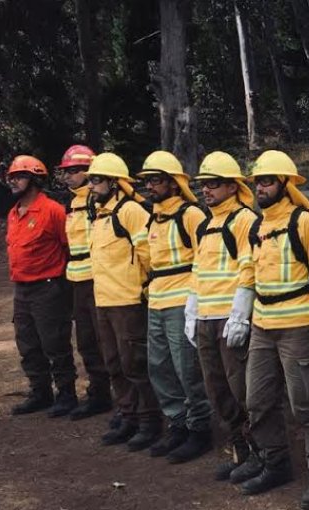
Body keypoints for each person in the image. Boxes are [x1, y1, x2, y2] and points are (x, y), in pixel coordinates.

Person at [240, 150, 309, 507]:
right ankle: (275, 461)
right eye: (256, 182)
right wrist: (242, 313)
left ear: (284, 183)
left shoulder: (305, 223)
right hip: (263, 326)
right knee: (258, 400)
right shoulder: (258, 225)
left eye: (266, 181)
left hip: (300, 326)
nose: (260, 188)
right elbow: (251, 271)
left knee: (307, 403)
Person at [136, 150, 213, 463]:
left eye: (156, 181)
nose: (150, 187)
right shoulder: (153, 216)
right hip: (156, 299)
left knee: (186, 368)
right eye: (147, 181)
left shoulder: (191, 214)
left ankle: (199, 429)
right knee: (159, 366)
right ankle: (177, 423)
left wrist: (196, 298)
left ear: (173, 182)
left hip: (182, 299)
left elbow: (206, 257)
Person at [186, 151, 259, 481]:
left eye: (214, 184)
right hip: (205, 318)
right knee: (216, 388)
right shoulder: (206, 224)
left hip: (229, 320)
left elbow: (249, 267)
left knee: (240, 388)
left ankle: (258, 451)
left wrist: (240, 315)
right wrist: (192, 311)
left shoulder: (244, 220)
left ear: (233, 186)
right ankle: (239, 449)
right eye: (203, 185)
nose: (207, 190)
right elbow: (198, 270)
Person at [86, 152, 164, 451]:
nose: (91, 186)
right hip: (104, 300)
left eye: (96, 179)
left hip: (128, 301)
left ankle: (149, 421)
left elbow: (147, 252)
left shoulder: (130, 210)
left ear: (114, 182)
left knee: (135, 363)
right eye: (91, 179)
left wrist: (141, 286)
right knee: (114, 362)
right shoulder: (100, 215)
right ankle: (129, 415)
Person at [5, 155, 77, 417]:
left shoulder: (53, 211)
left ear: (35, 179)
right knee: (28, 344)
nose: (12, 181)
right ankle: (41, 392)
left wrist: (62, 286)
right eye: (11, 177)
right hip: (21, 288)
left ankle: (67, 394)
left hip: (48, 287)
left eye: (19, 176)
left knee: (54, 341)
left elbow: (68, 247)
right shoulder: (14, 214)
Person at [57, 145, 113, 421]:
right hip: (77, 280)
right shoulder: (72, 203)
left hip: (98, 280)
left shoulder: (96, 201)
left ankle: (117, 396)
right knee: (86, 341)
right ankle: (99, 393)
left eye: (74, 171)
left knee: (106, 341)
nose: (68, 176)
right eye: (66, 171)